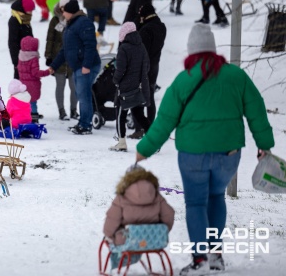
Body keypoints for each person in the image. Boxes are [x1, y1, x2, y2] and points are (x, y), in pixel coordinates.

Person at [136, 24, 274, 275]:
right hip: (228, 155)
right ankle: (216, 256)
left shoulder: (183, 80)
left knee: (196, 203)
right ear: (213, 49)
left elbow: (165, 120)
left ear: (191, 50)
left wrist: (144, 148)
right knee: (216, 197)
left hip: (193, 156)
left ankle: (199, 259)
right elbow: (257, 109)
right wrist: (264, 144)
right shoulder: (236, 76)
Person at [103, 166, 175, 269]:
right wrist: (162, 230)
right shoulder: (156, 195)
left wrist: (109, 235)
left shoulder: (122, 197)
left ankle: (117, 267)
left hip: (128, 241)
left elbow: (112, 218)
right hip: (154, 240)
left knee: (113, 241)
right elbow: (169, 214)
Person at [49, 0, 101, 135]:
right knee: (81, 94)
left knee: (83, 95)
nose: (63, 14)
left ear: (70, 12)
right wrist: (54, 65)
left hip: (85, 66)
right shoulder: (71, 24)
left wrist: (87, 65)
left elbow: (90, 45)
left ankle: (85, 125)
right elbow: (65, 50)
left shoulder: (84, 23)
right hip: (78, 66)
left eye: (64, 11)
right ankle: (83, 122)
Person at [109, 22, 151, 152]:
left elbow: (120, 69)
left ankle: (121, 143)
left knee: (121, 114)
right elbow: (147, 66)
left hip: (126, 89)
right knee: (139, 115)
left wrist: (115, 80)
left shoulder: (124, 48)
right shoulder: (141, 46)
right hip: (139, 88)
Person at [45, 0, 78, 120]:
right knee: (60, 85)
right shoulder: (55, 20)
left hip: (72, 58)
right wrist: (48, 56)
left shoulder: (74, 20)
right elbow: (50, 38)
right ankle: (61, 110)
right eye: (62, 7)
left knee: (74, 86)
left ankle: (74, 110)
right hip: (58, 57)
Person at [137, 3, 166, 127]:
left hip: (144, 67)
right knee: (150, 96)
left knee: (139, 96)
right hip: (155, 64)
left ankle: (141, 127)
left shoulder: (146, 30)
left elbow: (142, 51)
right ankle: (151, 123)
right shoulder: (161, 26)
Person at [17, 36, 52, 122]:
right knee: (32, 102)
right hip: (32, 84)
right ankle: (33, 117)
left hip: (23, 84)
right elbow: (35, 72)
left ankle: (25, 116)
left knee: (26, 102)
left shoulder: (21, 56)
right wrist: (47, 72)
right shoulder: (33, 58)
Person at [8, 0, 35, 79]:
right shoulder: (14, 20)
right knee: (19, 82)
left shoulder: (25, 18)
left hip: (29, 57)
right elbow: (12, 43)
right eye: (29, 10)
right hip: (20, 58)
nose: (31, 13)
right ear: (23, 9)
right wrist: (16, 62)